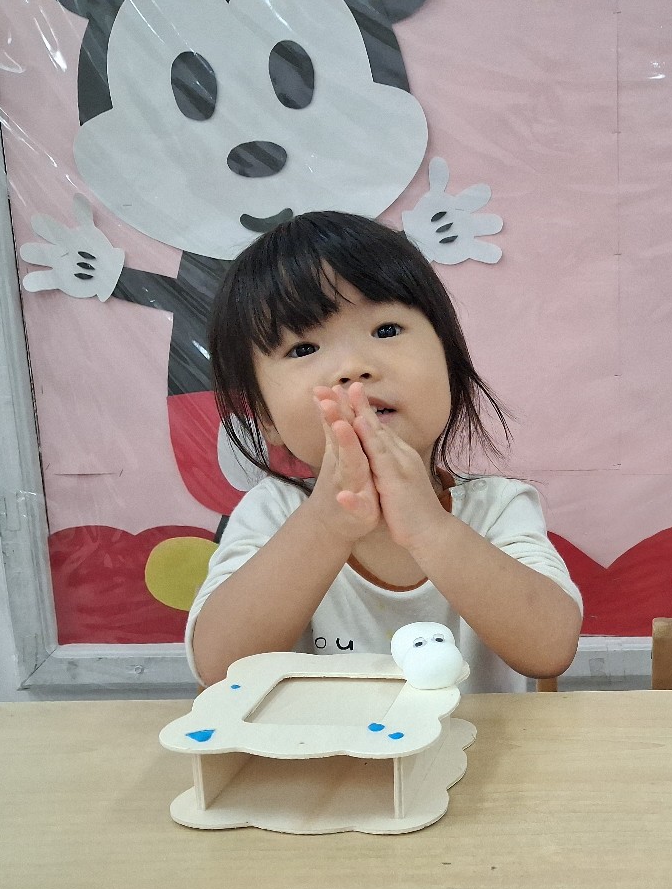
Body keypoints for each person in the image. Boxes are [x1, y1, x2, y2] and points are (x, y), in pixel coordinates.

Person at [187, 211, 582, 691]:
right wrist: (327, 523)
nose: (353, 367)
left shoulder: (497, 507)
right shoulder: (272, 513)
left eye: (387, 330)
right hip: (318, 741)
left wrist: (429, 527)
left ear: (451, 369)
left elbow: (549, 649)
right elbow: (220, 668)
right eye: (304, 348)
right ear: (266, 418)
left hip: (472, 740)